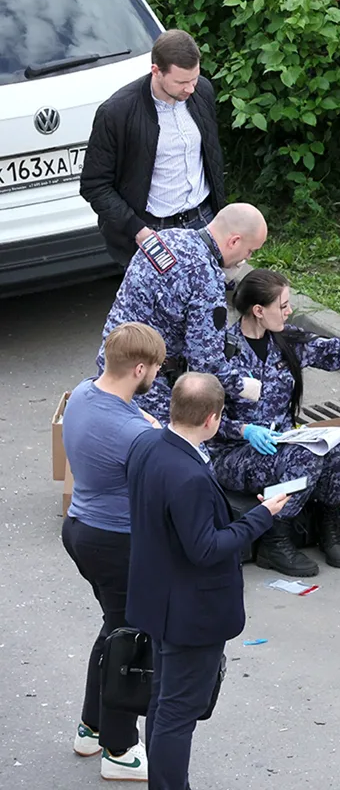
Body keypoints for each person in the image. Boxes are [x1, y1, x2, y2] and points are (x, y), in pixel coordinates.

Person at [125, 373, 289, 790]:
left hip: (156, 599)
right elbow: (206, 549)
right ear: (213, 419)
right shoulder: (191, 476)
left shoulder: (147, 445)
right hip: (190, 613)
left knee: (163, 704)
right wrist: (261, 516)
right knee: (179, 713)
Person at [208, 268, 340, 576]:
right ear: (259, 311)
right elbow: (198, 419)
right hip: (234, 454)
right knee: (304, 454)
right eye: (282, 305)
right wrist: (244, 430)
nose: (289, 311)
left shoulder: (288, 342)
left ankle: (328, 525)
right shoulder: (221, 353)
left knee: (335, 448)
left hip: (283, 443)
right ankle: (276, 537)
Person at [61, 323, 165, 782]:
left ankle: (92, 726)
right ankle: (119, 750)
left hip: (80, 528)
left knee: (113, 629)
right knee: (131, 642)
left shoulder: (84, 394)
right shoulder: (135, 433)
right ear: (139, 368)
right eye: (156, 370)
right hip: (115, 543)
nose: (157, 378)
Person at [96, 202, 268, 426]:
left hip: (111, 362)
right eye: (249, 251)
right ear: (234, 241)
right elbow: (205, 361)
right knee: (179, 447)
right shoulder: (206, 278)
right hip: (146, 381)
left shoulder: (166, 238)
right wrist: (244, 386)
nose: (246, 259)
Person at [80, 29, 225, 268]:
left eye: (195, 78)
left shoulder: (203, 91)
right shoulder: (117, 112)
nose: (190, 88)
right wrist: (138, 231)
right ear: (156, 71)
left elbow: (211, 155)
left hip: (203, 221)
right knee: (160, 306)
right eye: (181, 82)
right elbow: (94, 185)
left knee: (207, 304)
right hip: (152, 232)